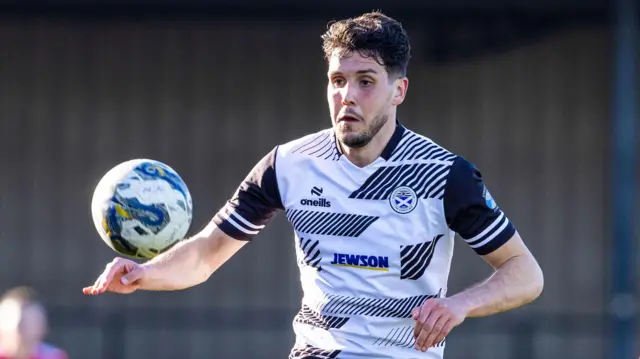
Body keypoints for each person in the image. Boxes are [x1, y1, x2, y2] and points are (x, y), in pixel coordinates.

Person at [83, 11, 544, 358]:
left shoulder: (444, 175)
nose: (347, 96)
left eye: (366, 81)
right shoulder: (288, 165)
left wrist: (460, 305)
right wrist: (147, 273)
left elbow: (525, 274)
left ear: (398, 91)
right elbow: (205, 254)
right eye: (338, 81)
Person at [0, 287, 68, 359]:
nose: (19, 328)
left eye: (29, 322)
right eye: (10, 319)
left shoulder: (53, 356)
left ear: (43, 328)